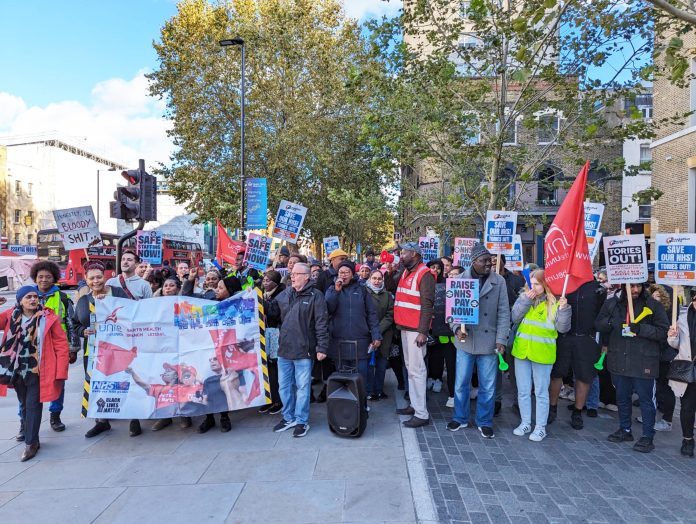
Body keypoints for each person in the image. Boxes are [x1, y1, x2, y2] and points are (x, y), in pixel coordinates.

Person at [595, 282, 669, 453]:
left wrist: (640, 329)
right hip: (619, 359)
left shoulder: (653, 305)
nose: (635, 290)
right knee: (622, 397)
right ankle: (625, 429)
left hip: (644, 361)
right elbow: (598, 324)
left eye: (638, 286)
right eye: (631, 286)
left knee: (646, 400)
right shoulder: (612, 303)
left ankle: (647, 436)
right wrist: (612, 322)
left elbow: (662, 332)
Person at [446, 244, 510, 438]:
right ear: (474, 262)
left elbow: (504, 312)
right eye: (485, 261)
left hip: (489, 342)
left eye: (490, 260)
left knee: (488, 386)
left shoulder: (499, 281)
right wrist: (457, 329)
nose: (489, 264)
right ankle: (460, 417)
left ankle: (484, 420)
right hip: (466, 341)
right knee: (461, 383)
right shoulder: (459, 281)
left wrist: (501, 339)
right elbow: (452, 313)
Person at [0, 286, 69, 461]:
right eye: (28, 297)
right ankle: (32, 435)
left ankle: (31, 443)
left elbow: (61, 345)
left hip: (38, 370)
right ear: (20, 300)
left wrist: (61, 371)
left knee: (33, 405)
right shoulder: (10, 315)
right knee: (23, 404)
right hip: (15, 370)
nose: (33, 300)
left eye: (35, 297)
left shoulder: (48, 317)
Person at [267, 263, 329, 438]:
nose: (292, 276)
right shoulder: (285, 294)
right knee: (284, 387)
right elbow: (272, 313)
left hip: (304, 351)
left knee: (302, 388)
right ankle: (288, 417)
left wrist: (322, 347)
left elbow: (321, 324)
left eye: (296, 273)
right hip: (284, 349)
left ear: (307, 276)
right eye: (291, 273)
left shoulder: (316, 296)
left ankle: (301, 421)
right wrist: (260, 297)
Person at [510, 269, 571, 442]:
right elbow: (515, 317)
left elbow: (563, 328)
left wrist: (565, 309)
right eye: (531, 283)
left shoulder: (555, 303)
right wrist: (525, 301)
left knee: (541, 392)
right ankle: (525, 422)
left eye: (537, 284)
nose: (533, 287)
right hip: (522, 351)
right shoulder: (524, 297)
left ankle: (540, 427)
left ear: (545, 284)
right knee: (523, 391)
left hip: (543, 353)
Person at [73, 262, 131, 438]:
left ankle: (133, 419)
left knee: (125, 381)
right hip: (93, 352)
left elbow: (134, 314)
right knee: (97, 384)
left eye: (99, 277)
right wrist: (83, 331)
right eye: (91, 278)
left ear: (105, 276)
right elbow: (75, 324)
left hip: (119, 348)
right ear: (86, 280)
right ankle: (101, 421)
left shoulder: (119, 294)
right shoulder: (83, 301)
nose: (96, 281)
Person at [27, 260, 80, 434]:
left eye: (48, 277)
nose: (43, 280)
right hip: (32, 350)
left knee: (58, 383)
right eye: (40, 277)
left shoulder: (63, 298)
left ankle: (55, 416)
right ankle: (25, 421)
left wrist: (73, 348)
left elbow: (71, 323)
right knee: (29, 386)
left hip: (58, 350)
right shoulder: (27, 296)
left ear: (54, 279)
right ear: (35, 278)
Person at [548, 279, 606, 429]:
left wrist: (603, 342)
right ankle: (552, 408)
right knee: (556, 374)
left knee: (584, 376)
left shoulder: (597, 288)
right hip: (563, 337)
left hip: (587, 339)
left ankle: (577, 411)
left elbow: (604, 316)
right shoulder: (562, 281)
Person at [393, 242, 435, 428]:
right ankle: (415, 405)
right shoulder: (406, 271)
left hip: (416, 331)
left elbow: (427, 305)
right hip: (406, 328)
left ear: (416, 255)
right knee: (411, 369)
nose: (401, 255)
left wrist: (423, 332)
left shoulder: (424, 274)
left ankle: (421, 414)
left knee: (417, 371)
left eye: (405, 252)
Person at [197, 275, 243, 433]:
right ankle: (208, 418)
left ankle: (224, 417)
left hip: (228, 354)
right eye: (217, 287)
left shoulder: (237, 307)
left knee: (224, 384)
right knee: (208, 384)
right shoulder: (210, 304)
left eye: (221, 288)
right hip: (208, 351)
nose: (217, 290)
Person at [325, 262, 382, 389]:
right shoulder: (332, 289)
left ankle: (362, 405)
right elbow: (328, 309)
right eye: (341, 272)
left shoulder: (362, 290)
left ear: (352, 274)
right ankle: (345, 407)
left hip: (360, 341)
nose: (343, 275)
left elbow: (371, 314)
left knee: (361, 377)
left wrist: (376, 335)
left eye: (346, 272)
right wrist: (336, 291)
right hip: (339, 341)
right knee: (342, 378)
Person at [667, 288, 696, 457]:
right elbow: (675, 343)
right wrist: (672, 336)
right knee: (687, 407)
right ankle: (688, 439)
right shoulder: (683, 318)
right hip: (688, 368)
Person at [647, 283, 677, 432]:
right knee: (656, 387)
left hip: (666, 355)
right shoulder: (652, 310)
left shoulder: (670, 314)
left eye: (658, 295)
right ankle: (652, 415)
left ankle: (667, 420)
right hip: (654, 353)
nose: (654, 298)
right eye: (653, 295)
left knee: (666, 388)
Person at [427, 259, 455, 403]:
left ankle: (448, 389)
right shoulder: (425, 282)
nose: (436, 270)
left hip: (448, 332)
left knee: (447, 360)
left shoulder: (446, 284)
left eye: (439, 267)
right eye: (433, 267)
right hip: (429, 328)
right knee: (432, 356)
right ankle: (432, 377)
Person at [365, 269, 394, 401]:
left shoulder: (387, 295)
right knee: (369, 365)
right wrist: (372, 330)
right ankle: (369, 390)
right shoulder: (363, 292)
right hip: (368, 334)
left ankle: (379, 389)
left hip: (384, 334)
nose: (377, 281)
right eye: (374, 278)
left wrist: (379, 329)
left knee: (382, 364)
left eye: (379, 278)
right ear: (370, 279)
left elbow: (390, 314)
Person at [259, 270, 284, 414]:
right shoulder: (263, 294)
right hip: (264, 335)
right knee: (266, 369)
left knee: (274, 370)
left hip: (275, 335)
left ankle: (278, 400)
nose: (264, 283)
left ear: (276, 282)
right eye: (264, 280)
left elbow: (274, 314)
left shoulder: (280, 295)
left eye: (268, 280)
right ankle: (268, 399)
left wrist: (263, 303)